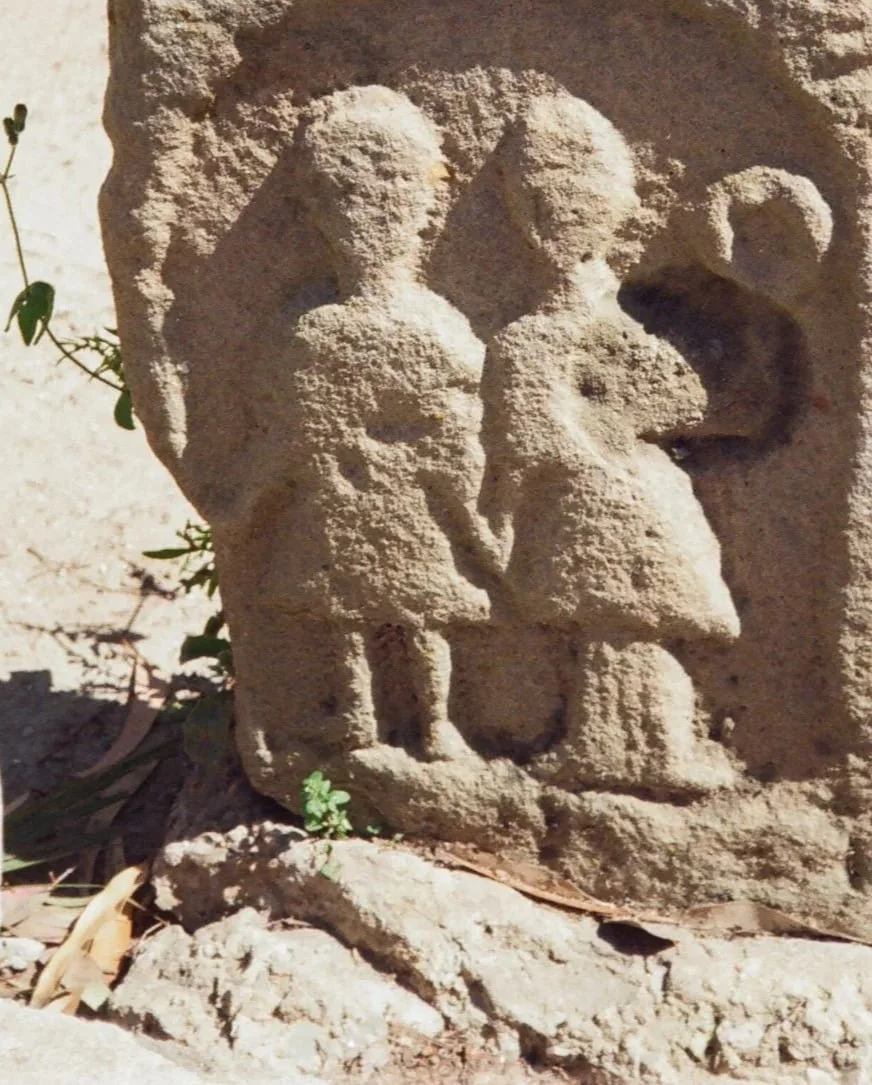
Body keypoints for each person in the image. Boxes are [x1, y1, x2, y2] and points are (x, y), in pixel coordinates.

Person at [218, 85, 499, 765]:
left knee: (422, 615)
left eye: (390, 190)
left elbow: (464, 425)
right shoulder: (307, 332)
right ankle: (355, 718)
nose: (368, 213)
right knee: (342, 615)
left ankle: (436, 722)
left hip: (413, 506)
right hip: (334, 505)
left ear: (427, 203)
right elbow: (284, 432)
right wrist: (243, 499)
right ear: (316, 209)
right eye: (345, 194)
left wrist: (476, 510)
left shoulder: (438, 328)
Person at [481, 90, 740, 792]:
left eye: (576, 187)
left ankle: (661, 750)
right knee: (600, 636)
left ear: (617, 199)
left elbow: (694, 397)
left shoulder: (619, 325)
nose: (558, 208)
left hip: (629, 498)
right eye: (539, 192)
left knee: (637, 633)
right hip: (573, 505)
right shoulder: (528, 336)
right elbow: (522, 435)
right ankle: (602, 748)